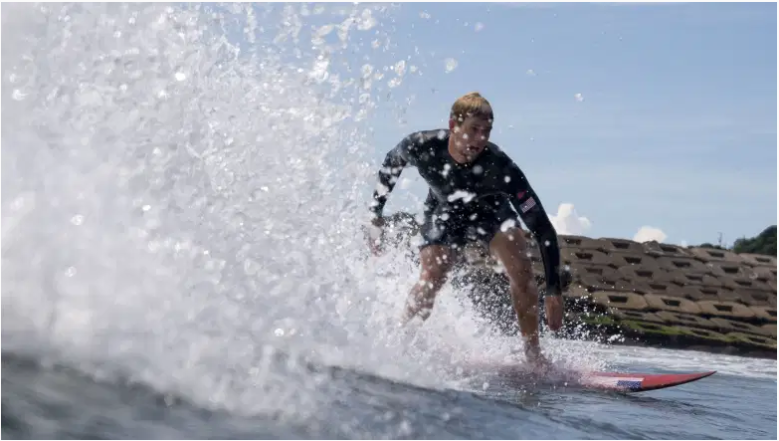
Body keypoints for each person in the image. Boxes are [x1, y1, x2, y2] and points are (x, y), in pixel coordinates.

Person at [366, 92, 564, 367]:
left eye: (486, 132)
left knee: (520, 267)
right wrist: (376, 214)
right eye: (473, 130)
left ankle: (533, 356)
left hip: (492, 214)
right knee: (433, 275)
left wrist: (554, 291)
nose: (480, 139)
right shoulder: (422, 146)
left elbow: (542, 229)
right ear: (453, 125)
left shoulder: (500, 166)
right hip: (444, 212)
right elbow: (391, 163)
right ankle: (398, 341)